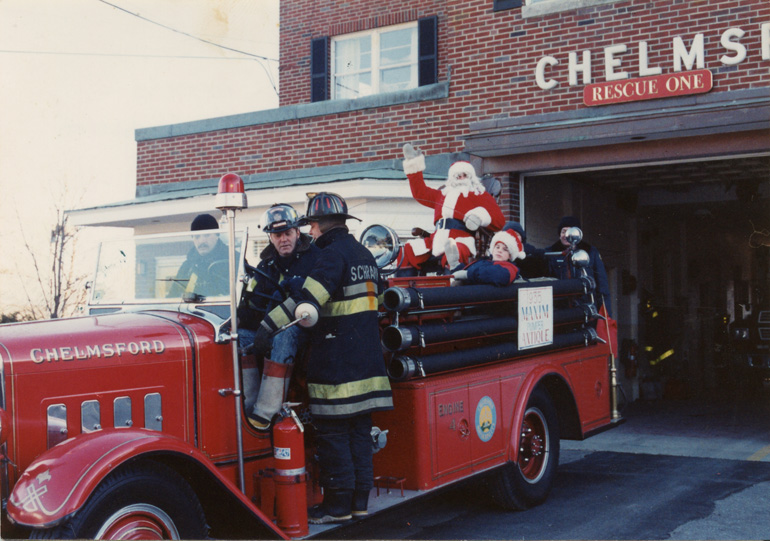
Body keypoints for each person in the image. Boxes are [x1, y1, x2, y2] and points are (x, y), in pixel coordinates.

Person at [250, 192, 393, 524]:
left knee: (332, 436)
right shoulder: (364, 255)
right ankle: (358, 504)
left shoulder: (330, 257)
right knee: (359, 433)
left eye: (311, 225)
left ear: (321, 225)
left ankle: (337, 508)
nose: (310, 232)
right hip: (368, 365)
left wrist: (267, 327)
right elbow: (382, 300)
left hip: (336, 368)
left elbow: (305, 301)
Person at [238, 204, 320, 431]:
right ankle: (248, 405)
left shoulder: (315, 259)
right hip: (269, 328)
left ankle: (266, 413)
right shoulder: (266, 266)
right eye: (277, 235)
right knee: (240, 338)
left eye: (287, 233)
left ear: (297, 232)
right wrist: (237, 319)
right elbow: (253, 303)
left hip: (308, 329)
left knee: (287, 334)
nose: (283, 239)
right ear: (270, 238)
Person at [399, 143, 505, 274]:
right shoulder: (442, 195)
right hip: (436, 240)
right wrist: (413, 165)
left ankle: (450, 288)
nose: (460, 178)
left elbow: (499, 220)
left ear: (471, 177)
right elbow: (420, 193)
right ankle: (404, 289)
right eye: (457, 176)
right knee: (407, 250)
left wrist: (479, 216)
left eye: (464, 175)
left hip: (461, 239)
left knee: (454, 251)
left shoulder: (479, 194)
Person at [547, 216, 611, 315]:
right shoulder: (551, 253)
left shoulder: (590, 252)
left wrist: (606, 314)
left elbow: (602, 286)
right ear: (559, 234)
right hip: (560, 312)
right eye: (563, 231)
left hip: (587, 309)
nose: (566, 235)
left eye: (570, 231)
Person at [167, 213, 229, 298]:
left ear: (217, 235)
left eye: (207, 235)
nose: (202, 241)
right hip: (191, 311)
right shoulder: (187, 267)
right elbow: (172, 297)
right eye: (197, 236)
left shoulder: (233, 261)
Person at [452, 227, 525, 286]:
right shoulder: (484, 261)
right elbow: (467, 271)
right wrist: (456, 265)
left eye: (505, 249)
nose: (500, 250)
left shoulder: (510, 268)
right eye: (497, 247)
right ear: (492, 249)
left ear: (510, 256)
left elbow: (500, 275)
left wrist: (467, 275)